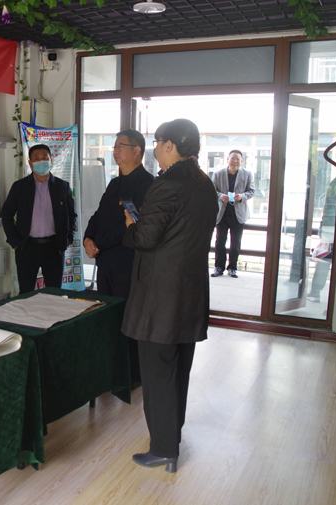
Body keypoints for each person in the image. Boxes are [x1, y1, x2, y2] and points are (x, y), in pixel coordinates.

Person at [122, 119, 218, 473]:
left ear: (170, 145)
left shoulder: (167, 185)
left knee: (158, 373)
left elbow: (146, 238)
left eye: (157, 144)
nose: (156, 152)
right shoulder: (205, 184)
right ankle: (172, 436)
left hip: (160, 298)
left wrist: (131, 226)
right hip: (190, 294)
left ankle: (164, 448)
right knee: (179, 370)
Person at [84, 129, 154, 298]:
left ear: (136, 151)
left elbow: (130, 224)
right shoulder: (115, 183)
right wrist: (88, 238)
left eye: (120, 146)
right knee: (105, 308)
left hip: (127, 263)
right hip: (104, 261)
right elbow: (99, 215)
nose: (115, 151)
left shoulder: (148, 184)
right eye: (114, 147)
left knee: (124, 310)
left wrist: (99, 243)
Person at [1, 144, 76, 293]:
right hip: (27, 247)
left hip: (54, 247)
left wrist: (67, 239)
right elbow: (6, 215)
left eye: (44, 158)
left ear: (51, 160)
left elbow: (71, 215)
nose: (41, 161)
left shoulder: (62, 187)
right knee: (26, 292)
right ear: (30, 163)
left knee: (54, 292)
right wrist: (15, 242)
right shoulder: (20, 187)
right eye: (36, 158)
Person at [211, 149, 255, 278]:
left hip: (238, 213)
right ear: (227, 159)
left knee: (235, 243)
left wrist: (242, 196)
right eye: (232, 158)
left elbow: (251, 191)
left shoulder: (247, 174)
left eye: (238, 159)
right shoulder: (218, 174)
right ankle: (219, 267)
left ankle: (232, 268)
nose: (235, 161)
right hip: (222, 212)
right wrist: (220, 196)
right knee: (220, 242)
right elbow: (212, 190)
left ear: (241, 161)